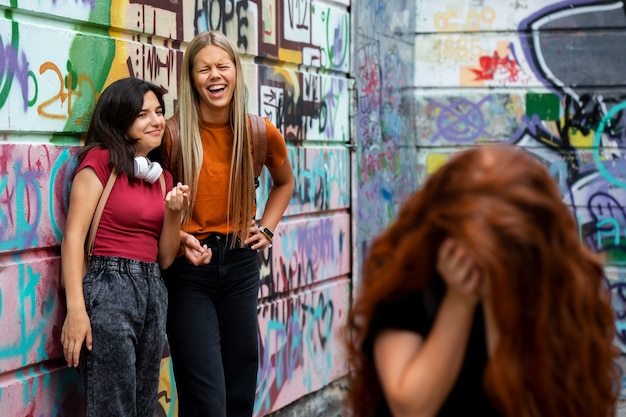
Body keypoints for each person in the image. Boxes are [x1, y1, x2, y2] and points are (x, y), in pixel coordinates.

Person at [344, 145, 621, 417]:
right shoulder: (406, 276)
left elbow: (541, 405)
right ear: (442, 232)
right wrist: (459, 302)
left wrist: (497, 304)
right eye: (474, 251)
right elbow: (411, 409)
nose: (484, 268)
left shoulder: (558, 284)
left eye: (498, 258)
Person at [152, 30, 294, 417]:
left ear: (235, 71)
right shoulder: (170, 137)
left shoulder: (258, 132)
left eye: (222, 66)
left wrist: (265, 227)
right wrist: (178, 235)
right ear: (191, 78)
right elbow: (148, 204)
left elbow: (285, 183)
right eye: (204, 69)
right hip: (189, 270)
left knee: (238, 393)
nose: (215, 76)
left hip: (241, 263)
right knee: (206, 400)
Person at [60, 77, 189, 417]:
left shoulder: (163, 178)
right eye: (142, 114)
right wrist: (76, 311)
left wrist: (174, 215)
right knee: (113, 406)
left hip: (152, 289)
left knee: (144, 404)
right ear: (120, 119)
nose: (156, 121)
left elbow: (164, 257)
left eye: (159, 112)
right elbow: (73, 238)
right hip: (108, 285)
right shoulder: (101, 163)